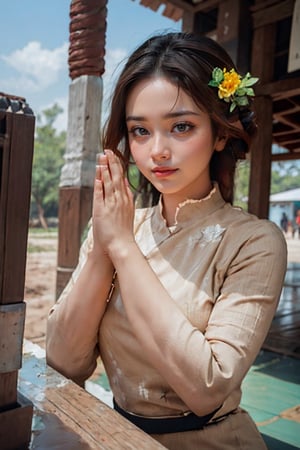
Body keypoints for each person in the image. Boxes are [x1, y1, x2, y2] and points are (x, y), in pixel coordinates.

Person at [46, 32, 287, 449]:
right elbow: (63, 363)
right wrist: (107, 247)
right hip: (116, 437)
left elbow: (207, 389)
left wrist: (122, 247)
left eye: (181, 126)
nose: (157, 150)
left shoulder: (254, 242)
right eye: (140, 131)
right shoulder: (117, 227)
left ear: (220, 133)